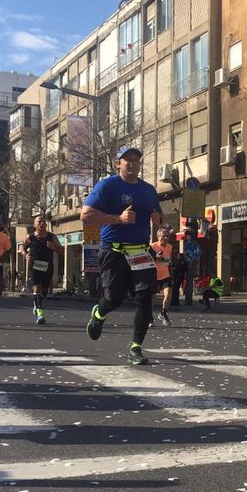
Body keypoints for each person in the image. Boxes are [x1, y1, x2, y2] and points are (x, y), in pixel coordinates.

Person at [81, 147, 163, 366]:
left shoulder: (148, 190)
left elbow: (158, 215)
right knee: (114, 298)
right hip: (113, 251)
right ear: (118, 163)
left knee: (145, 297)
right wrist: (118, 218)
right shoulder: (107, 185)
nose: (133, 164)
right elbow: (86, 215)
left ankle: (136, 347)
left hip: (140, 251)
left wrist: (158, 219)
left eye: (137, 160)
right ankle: (99, 313)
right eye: (128, 160)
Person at [22, 215, 63, 325]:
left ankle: (38, 301)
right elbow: (23, 248)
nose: (42, 224)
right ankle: (40, 313)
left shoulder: (52, 237)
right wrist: (26, 255)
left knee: (44, 290)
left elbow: (61, 251)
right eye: (39, 222)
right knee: (37, 286)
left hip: (47, 266)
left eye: (44, 222)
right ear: (35, 224)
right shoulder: (30, 237)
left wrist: (54, 247)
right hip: (34, 265)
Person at [149, 228, 174, 326]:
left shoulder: (170, 246)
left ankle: (163, 313)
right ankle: (150, 317)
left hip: (165, 275)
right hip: (153, 275)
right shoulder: (152, 246)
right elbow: (147, 260)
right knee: (152, 297)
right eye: (163, 236)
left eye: (167, 236)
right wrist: (156, 258)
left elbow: (167, 261)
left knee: (168, 294)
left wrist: (166, 261)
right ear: (158, 237)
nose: (166, 238)